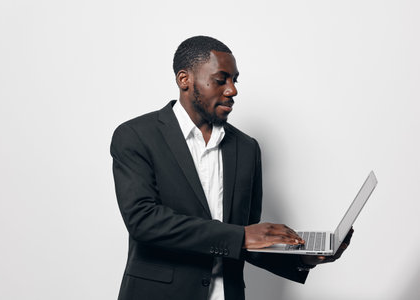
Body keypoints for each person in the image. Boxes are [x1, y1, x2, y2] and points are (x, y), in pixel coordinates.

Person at [110, 36, 353, 300]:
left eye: (235, 80)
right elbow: (143, 221)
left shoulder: (247, 148)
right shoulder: (136, 136)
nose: (232, 90)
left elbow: (247, 238)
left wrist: (303, 259)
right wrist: (242, 236)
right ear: (184, 79)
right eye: (220, 79)